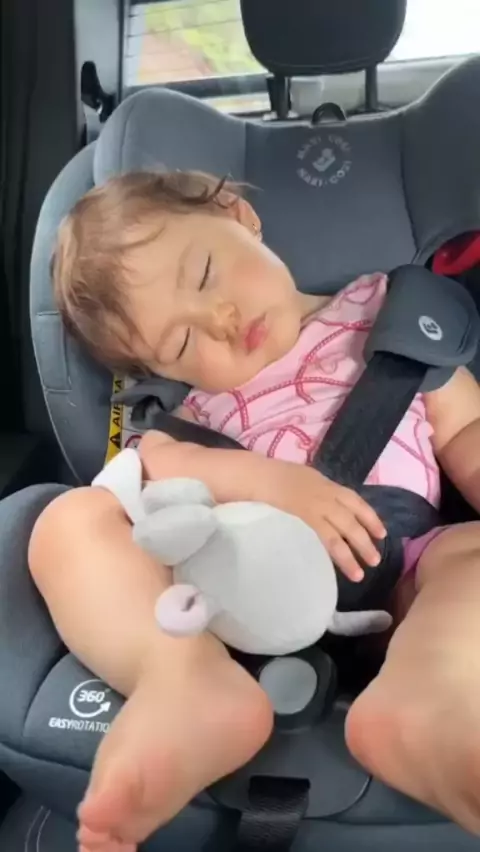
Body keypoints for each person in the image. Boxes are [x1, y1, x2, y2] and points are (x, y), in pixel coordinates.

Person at [29, 170, 480, 852]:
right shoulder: (192, 415)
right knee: (69, 521)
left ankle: (427, 696)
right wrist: (264, 482)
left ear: (238, 215)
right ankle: (182, 678)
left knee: (469, 558)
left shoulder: (390, 317)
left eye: (205, 273)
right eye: (182, 346)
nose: (220, 320)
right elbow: (154, 470)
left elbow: (464, 430)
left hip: (402, 568)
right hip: (233, 606)